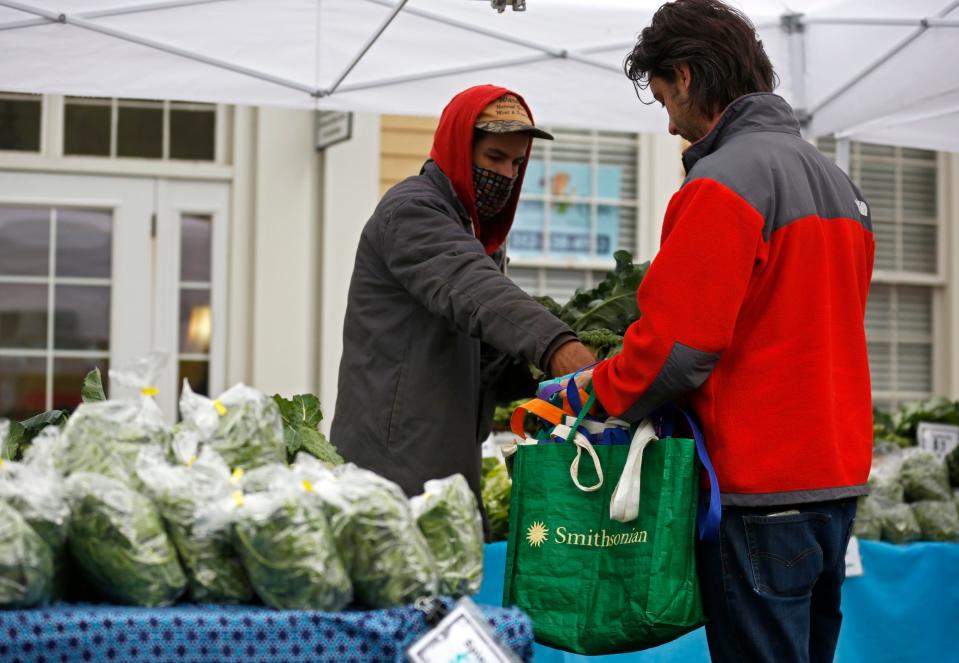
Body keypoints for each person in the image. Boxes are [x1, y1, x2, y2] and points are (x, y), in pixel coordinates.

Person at [574, 1, 875, 661]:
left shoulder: (722, 182)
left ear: (684, 77)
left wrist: (590, 392)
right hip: (835, 482)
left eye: (661, 100)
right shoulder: (840, 185)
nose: (668, 123)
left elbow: (674, 353)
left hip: (759, 491)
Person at [331, 85, 595, 530]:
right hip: (391, 481)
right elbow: (473, 290)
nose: (507, 176)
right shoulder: (412, 212)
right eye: (494, 158)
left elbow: (484, 355)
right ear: (457, 146)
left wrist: (543, 379)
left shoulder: (476, 234)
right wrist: (558, 347)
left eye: (516, 164)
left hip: (447, 475)